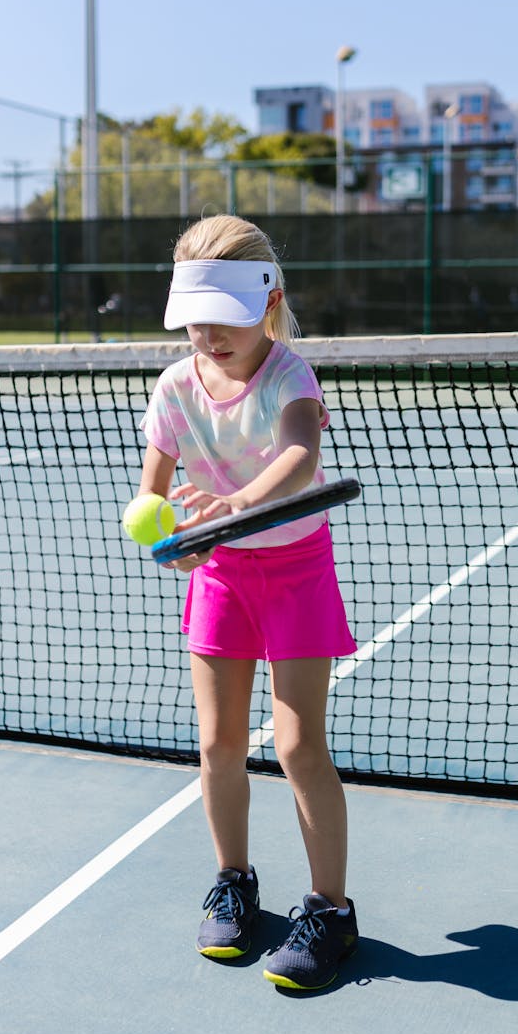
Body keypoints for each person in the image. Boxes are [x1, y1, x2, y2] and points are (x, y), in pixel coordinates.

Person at [137, 214, 359, 991]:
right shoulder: (173, 387)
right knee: (218, 743)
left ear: (267, 304)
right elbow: (153, 497)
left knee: (299, 747)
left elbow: (300, 457)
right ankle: (235, 879)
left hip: (296, 569)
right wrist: (173, 539)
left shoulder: (290, 376)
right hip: (222, 577)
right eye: (194, 320)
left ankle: (330, 909)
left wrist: (232, 508)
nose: (208, 334)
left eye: (225, 319)